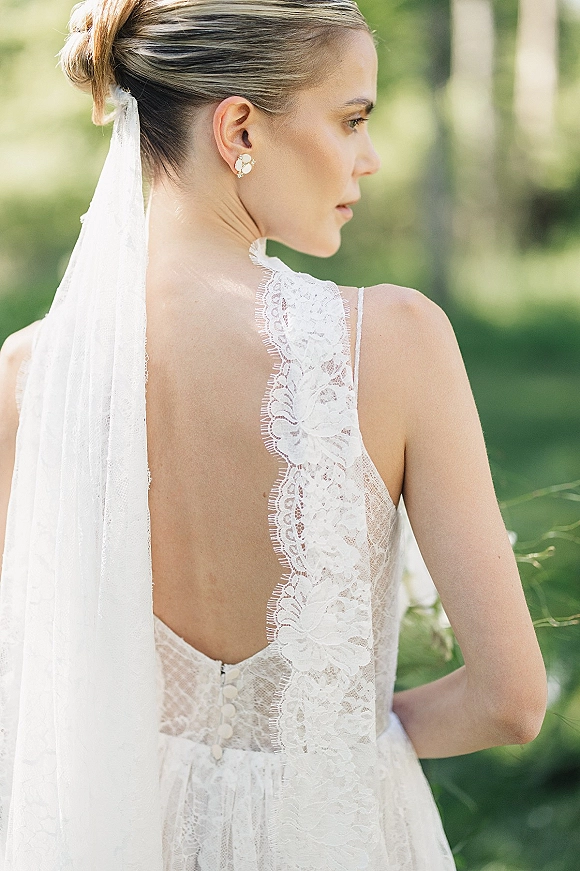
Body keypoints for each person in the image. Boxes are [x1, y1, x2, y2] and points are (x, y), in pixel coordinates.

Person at [0, 1, 547, 869]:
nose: (369, 157)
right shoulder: (393, 343)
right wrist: (337, 736)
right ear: (240, 130)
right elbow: (510, 700)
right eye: (352, 119)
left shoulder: (30, 375)